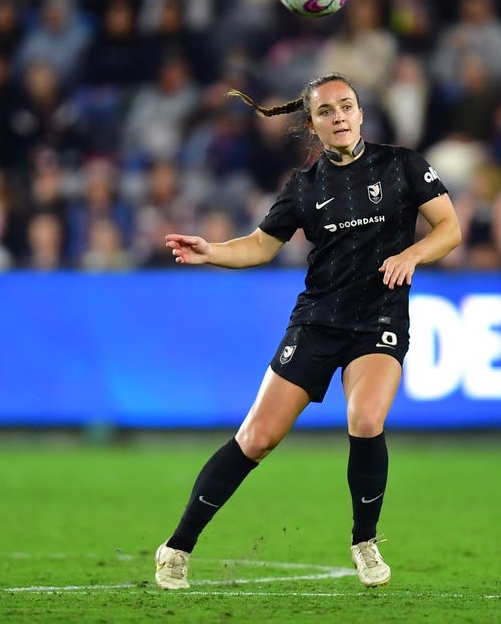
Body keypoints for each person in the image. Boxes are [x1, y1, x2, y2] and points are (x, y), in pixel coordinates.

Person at [153, 73, 462, 590]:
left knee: (365, 418)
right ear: (313, 125)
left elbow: (449, 228)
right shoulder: (304, 186)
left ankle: (364, 541)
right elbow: (259, 246)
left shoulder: (402, 165)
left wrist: (411, 254)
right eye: (326, 111)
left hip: (378, 320)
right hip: (319, 320)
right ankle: (177, 546)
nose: (339, 117)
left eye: (347, 107)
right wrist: (211, 251)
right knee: (256, 438)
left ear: (361, 114)